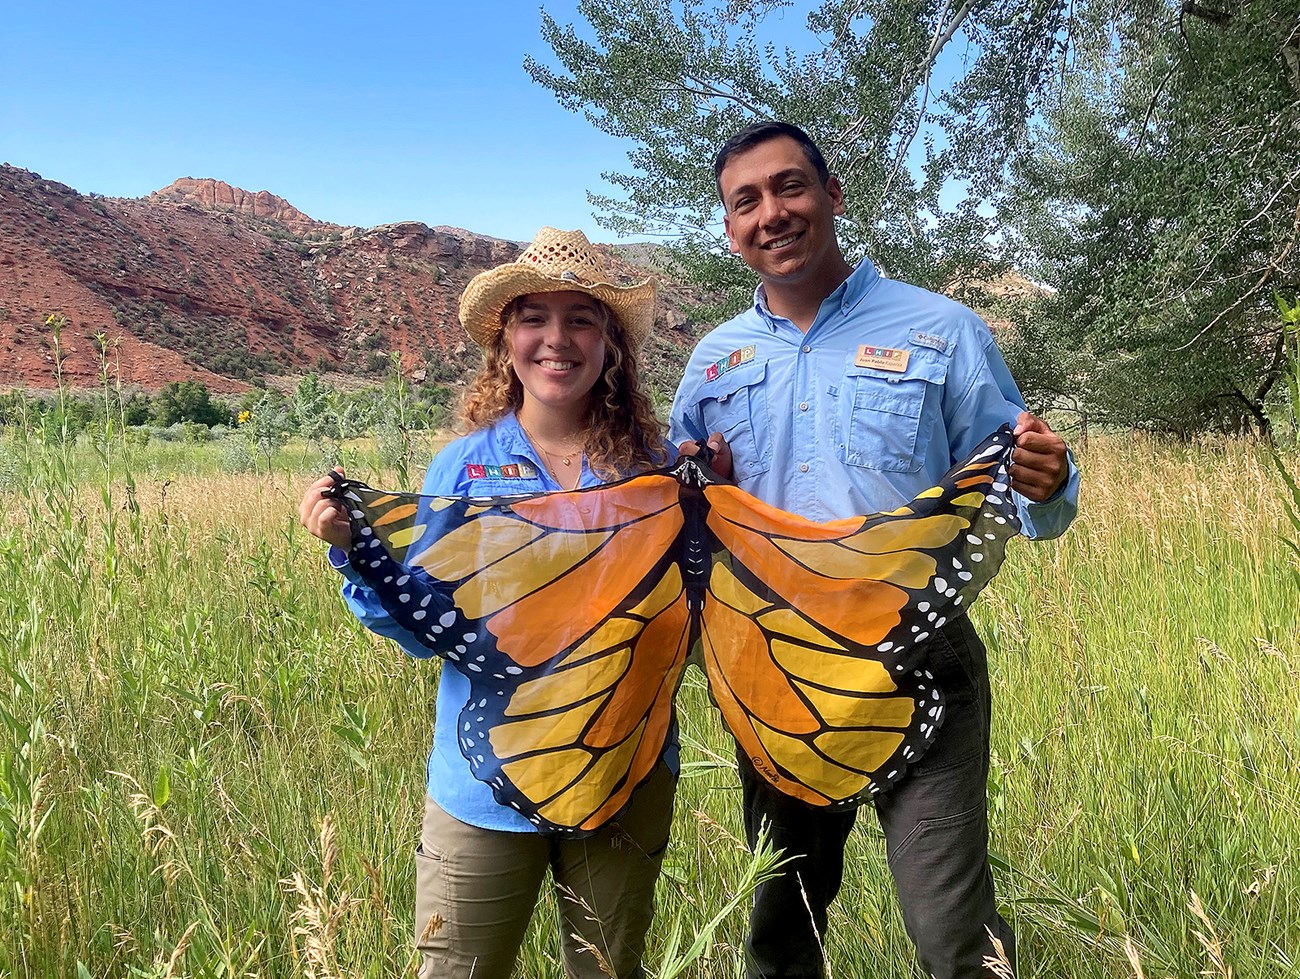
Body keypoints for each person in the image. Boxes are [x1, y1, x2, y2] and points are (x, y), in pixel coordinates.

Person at [668, 122, 1080, 979]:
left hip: (921, 660)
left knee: (953, 937)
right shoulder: (711, 364)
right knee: (782, 935)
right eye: (745, 200)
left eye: (790, 188)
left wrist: (1047, 479)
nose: (771, 213)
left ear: (832, 196)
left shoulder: (943, 330)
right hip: (776, 674)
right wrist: (693, 490)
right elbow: (683, 519)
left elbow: (1016, 470)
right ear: (728, 225)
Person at [299, 228, 675, 979]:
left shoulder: (656, 468)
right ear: (506, 340)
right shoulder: (465, 467)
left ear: (610, 345)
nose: (556, 339)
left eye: (581, 319)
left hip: (624, 774)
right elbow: (418, 623)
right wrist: (354, 548)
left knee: (608, 969)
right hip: (484, 783)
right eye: (534, 317)